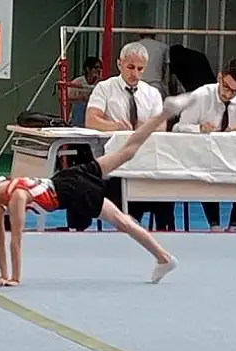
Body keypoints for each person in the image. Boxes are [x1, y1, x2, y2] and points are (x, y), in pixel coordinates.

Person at [0, 93, 199, 287]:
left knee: (122, 221)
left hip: (73, 191)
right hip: (69, 177)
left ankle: (164, 257)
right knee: (127, 151)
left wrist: (14, 278)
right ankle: (166, 111)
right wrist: (2, 274)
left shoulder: (16, 197)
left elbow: (15, 240)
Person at [85, 41, 176, 231]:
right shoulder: (104, 88)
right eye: (131, 67)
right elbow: (91, 120)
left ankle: (164, 232)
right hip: (113, 163)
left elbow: (162, 126)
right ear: (120, 64)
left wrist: (147, 127)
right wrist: (114, 126)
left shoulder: (152, 93)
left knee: (165, 187)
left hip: (145, 163)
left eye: (140, 69)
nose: (135, 73)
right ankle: (129, 223)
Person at [173, 57, 236, 232]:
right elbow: (178, 128)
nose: (229, 94)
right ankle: (214, 225)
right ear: (219, 77)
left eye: (235, 91)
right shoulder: (201, 95)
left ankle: (235, 224)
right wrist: (199, 128)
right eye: (226, 87)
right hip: (205, 157)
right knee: (207, 173)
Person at [68, 56, 102, 127]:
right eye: (96, 67)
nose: (98, 70)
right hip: (78, 116)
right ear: (88, 69)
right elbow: (67, 98)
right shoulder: (77, 82)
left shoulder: (101, 83)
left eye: (100, 68)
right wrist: (80, 98)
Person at [136, 28, 171, 98]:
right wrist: (166, 88)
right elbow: (166, 70)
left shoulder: (134, 46)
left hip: (138, 83)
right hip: (155, 84)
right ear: (154, 35)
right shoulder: (163, 47)